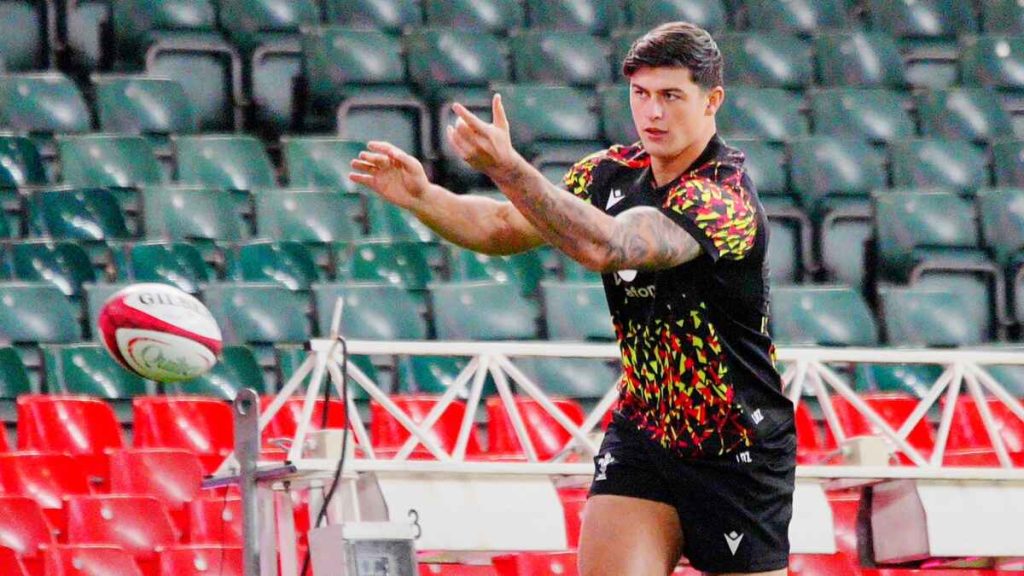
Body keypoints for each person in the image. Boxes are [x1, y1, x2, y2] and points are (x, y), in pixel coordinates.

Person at [349, 21, 795, 576]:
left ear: (713, 101)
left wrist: (509, 167)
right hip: (646, 430)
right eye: (641, 95)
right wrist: (424, 198)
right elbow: (501, 226)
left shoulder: (723, 199)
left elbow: (605, 245)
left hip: (736, 445)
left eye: (671, 96)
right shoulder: (610, 173)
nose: (652, 113)